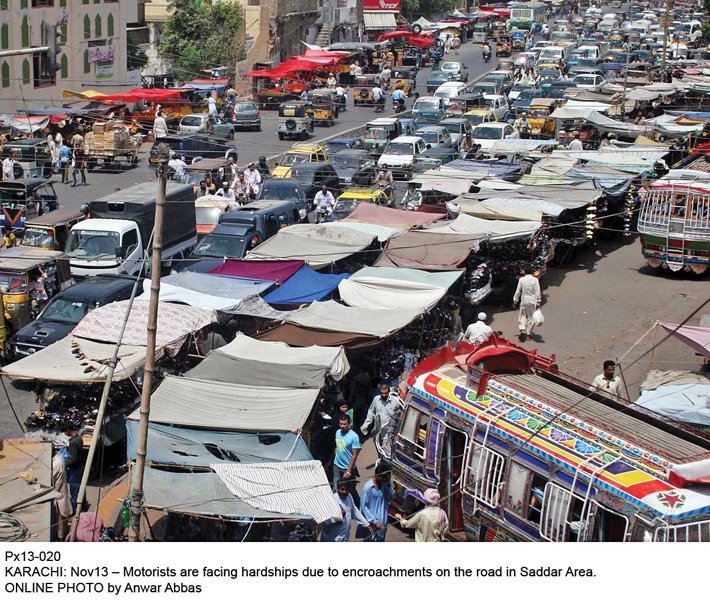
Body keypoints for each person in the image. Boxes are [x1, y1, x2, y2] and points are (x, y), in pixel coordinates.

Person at [361, 382, 400, 457]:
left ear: (388, 392)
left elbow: (401, 412)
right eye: (382, 393)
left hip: (389, 430)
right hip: (378, 430)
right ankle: (381, 460)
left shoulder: (395, 401)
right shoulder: (376, 400)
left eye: (385, 393)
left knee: (386, 449)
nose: (384, 395)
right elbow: (371, 411)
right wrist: (366, 424)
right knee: (378, 447)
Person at [359, 462, 395, 542]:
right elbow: (364, 507)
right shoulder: (368, 488)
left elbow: (392, 497)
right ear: (378, 476)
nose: (385, 480)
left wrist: (389, 485)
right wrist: (375, 522)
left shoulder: (384, 485)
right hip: (372, 526)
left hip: (382, 525)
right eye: (384, 478)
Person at [331, 413, 361, 502]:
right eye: (341, 424)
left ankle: (356, 505)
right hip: (337, 466)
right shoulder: (337, 432)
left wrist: (348, 471)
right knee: (336, 489)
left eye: (344, 424)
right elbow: (336, 448)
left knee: (349, 491)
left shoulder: (354, 437)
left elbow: (354, 455)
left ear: (349, 424)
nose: (342, 426)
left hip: (347, 468)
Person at [513, 266, 541, 341]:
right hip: (533, 300)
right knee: (531, 317)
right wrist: (538, 302)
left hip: (524, 300)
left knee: (522, 315)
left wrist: (515, 300)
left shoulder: (521, 280)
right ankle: (528, 335)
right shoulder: (535, 280)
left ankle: (522, 329)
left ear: (524, 272)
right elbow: (537, 292)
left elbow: (518, 291)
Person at [52, 449, 73, 541]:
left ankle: (61, 539)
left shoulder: (57, 463)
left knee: (60, 520)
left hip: (59, 495)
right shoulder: (57, 460)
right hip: (60, 493)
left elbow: (53, 478)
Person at [65, 424, 84, 511]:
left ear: (69, 430)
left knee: (75, 489)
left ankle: (77, 509)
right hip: (80, 467)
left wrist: (64, 464)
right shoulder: (78, 439)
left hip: (75, 469)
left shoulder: (73, 443)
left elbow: (72, 459)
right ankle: (82, 506)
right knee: (80, 488)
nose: (65, 433)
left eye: (66, 431)